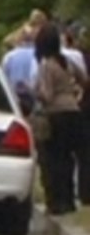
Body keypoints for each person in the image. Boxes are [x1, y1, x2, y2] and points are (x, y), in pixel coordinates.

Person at [35, 23, 87, 215]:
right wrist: (75, 93)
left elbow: (47, 95)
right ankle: (69, 200)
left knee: (55, 158)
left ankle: (58, 201)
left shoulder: (47, 65)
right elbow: (84, 80)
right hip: (73, 111)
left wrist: (35, 91)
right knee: (69, 157)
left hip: (56, 114)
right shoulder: (67, 61)